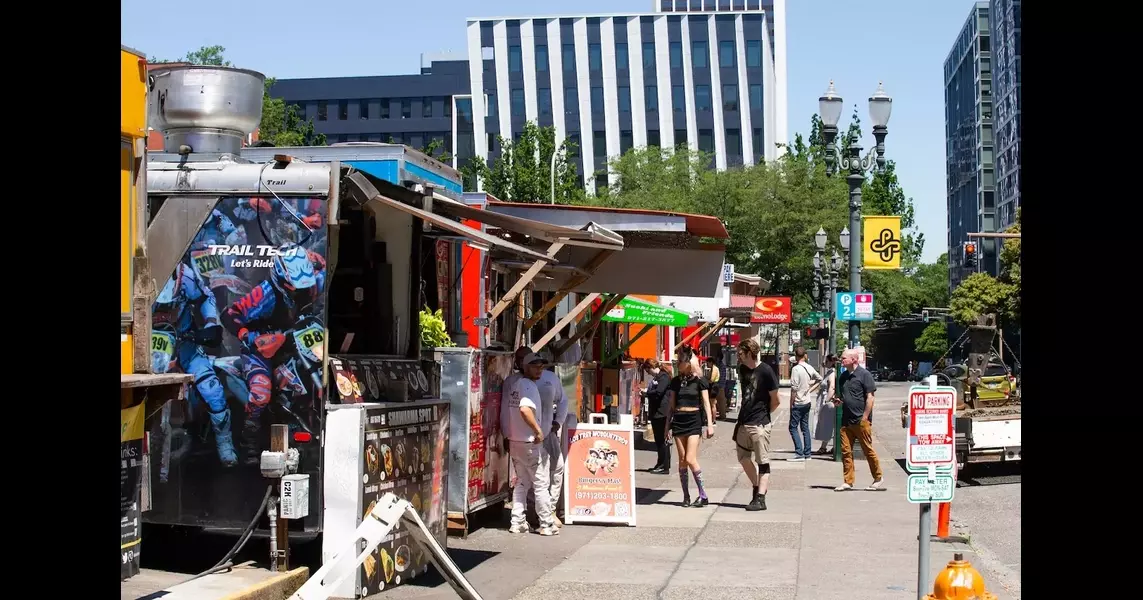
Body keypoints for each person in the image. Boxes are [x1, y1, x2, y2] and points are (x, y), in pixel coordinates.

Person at [501, 352, 558, 535]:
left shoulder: (516, 384)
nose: (539, 369)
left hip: (516, 440)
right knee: (540, 483)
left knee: (522, 482)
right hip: (529, 442)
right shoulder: (527, 385)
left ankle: (517, 521)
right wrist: (538, 430)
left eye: (541, 366)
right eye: (534, 365)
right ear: (524, 366)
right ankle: (547, 524)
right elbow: (525, 409)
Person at [664, 352, 716, 507]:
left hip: (694, 420)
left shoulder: (700, 381)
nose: (678, 363)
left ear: (688, 363)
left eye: (680, 361)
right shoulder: (675, 382)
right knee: (681, 460)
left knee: (690, 458)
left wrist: (710, 424)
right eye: (678, 361)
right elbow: (671, 406)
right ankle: (686, 495)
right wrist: (667, 426)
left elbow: (706, 403)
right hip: (679, 420)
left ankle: (703, 495)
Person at [734, 339, 780, 511]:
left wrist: (764, 417)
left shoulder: (767, 371)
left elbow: (775, 400)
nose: (738, 355)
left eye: (741, 353)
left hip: (759, 423)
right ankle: (757, 486)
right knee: (743, 458)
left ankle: (760, 498)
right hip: (743, 422)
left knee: (762, 461)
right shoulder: (742, 369)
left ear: (749, 353)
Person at [832, 349, 885, 491]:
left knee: (868, 450)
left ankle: (878, 478)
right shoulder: (843, 376)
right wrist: (839, 401)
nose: (841, 360)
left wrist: (865, 417)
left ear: (854, 359)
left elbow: (870, 397)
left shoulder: (864, 375)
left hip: (861, 420)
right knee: (846, 451)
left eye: (844, 358)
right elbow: (844, 396)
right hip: (846, 420)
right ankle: (848, 481)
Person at [535, 355, 569, 527]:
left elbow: (563, 401)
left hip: (548, 433)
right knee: (537, 474)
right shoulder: (518, 381)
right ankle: (538, 512)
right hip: (529, 436)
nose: (537, 368)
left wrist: (558, 422)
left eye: (540, 365)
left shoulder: (550, 378)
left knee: (557, 467)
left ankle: (550, 509)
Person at [787, 347, 822, 461]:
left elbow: (794, 388)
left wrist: (791, 403)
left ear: (796, 356)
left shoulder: (796, 369)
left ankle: (799, 453)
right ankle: (808, 453)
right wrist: (810, 389)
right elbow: (819, 379)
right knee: (805, 427)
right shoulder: (809, 367)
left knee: (793, 427)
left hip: (798, 402)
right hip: (807, 401)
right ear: (805, 355)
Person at [642, 359, 673, 474]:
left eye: (648, 370)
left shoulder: (663, 377)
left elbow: (659, 392)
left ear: (651, 367)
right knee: (659, 439)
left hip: (662, 412)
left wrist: (647, 393)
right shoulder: (658, 377)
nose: (648, 373)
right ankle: (661, 463)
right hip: (657, 412)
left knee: (661, 440)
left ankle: (663, 465)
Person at [813, 354, 839, 455]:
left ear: (831, 362)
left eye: (827, 361)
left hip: (828, 402)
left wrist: (826, 401)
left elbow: (832, 387)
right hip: (826, 401)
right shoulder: (830, 372)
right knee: (829, 424)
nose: (825, 363)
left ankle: (824, 447)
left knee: (827, 424)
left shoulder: (832, 373)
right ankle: (831, 446)